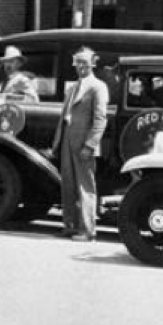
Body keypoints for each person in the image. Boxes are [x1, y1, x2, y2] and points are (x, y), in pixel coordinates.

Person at [51, 45, 109, 242]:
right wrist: (58, 141)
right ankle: (70, 225)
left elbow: (101, 119)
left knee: (85, 186)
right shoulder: (74, 86)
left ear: (93, 63)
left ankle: (87, 230)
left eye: (85, 62)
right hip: (67, 138)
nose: (81, 66)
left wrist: (90, 145)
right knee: (68, 184)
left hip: (84, 142)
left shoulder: (98, 87)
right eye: (78, 62)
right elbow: (65, 115)